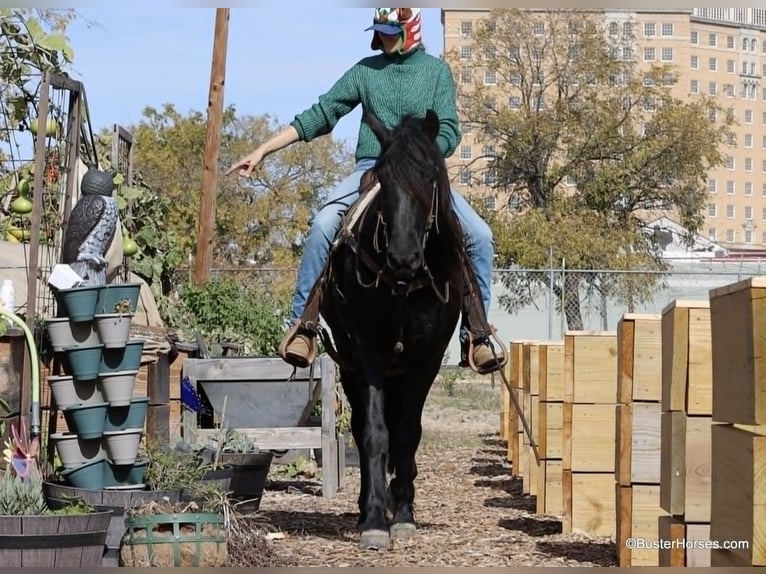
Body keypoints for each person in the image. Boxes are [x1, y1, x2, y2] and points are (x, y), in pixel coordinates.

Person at [226, 8, 506, 374]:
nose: (384, 37)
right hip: (371, 168)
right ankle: (303, 326)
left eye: (391, 30)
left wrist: (419, 152)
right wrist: (263, 150)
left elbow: (450, 130)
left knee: (480, 236)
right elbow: (322, 113)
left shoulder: (437, 72)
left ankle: (476, 336)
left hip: (422, 172)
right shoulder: (365, 71)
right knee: (324, 223)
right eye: (380, 30)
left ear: (411, 30)